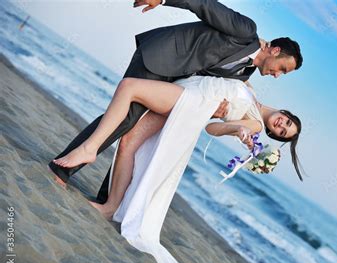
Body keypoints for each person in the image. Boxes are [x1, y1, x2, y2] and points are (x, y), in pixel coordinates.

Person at [53, 73, 303, 263]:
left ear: (272, 135)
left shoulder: (255, 124)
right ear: (286, 114)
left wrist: (238, 130)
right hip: (191, 90)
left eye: (282, 133)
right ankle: (112, 205)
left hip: (191, 107)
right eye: (287, 123)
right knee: (130, 140)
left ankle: (110, 205)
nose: (281, 126)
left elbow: (213, 128)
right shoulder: (253, 92)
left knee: (131, 102)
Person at [48, 0, 303, 206]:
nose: (278, 75)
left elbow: (209, 84)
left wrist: (218, 110)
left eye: (283, 74)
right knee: (126, 118)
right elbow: (204, 5)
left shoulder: (244, 75)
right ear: (275, 51)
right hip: (162, 55)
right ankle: (64, 169)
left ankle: (107, 198)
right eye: (282, 68)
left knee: (135, 133)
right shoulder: (246, 31)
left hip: (175, 83)